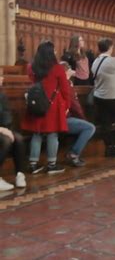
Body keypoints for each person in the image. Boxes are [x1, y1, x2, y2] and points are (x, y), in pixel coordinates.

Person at [22, 40, 70, 175]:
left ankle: (33, 164)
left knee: (36, 134)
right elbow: (65, 89)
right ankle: (51, 164)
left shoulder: (31, 67)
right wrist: (67, 105)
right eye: (54, 50)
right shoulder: (58, 68)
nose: (55, 52)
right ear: (50, 53)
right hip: (53, 105)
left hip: (36, 103)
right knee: (52, 134)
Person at [91, 38, 115, 158]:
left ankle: (108, 147)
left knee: (105, 124)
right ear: (110, 48)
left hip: (99, 97)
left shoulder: (95, 62)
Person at [59, 62, 96, 167]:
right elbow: (74, 105)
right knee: (89, 128)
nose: (72, 70)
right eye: (69, 68)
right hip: (62, 120)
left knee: (81, 125)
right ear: (66, 71)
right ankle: (73, 154)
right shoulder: (65, 84)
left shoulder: (62, 83)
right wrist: (84, 119)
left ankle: (73, 154)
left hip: (60, 118)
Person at [0, 72, 27, 190]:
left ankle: (20, 174)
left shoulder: (2, 96)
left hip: (2, 129)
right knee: (5, 141)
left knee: (18, 139)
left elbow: (7, 115)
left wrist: (7, 129)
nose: (2, 78)